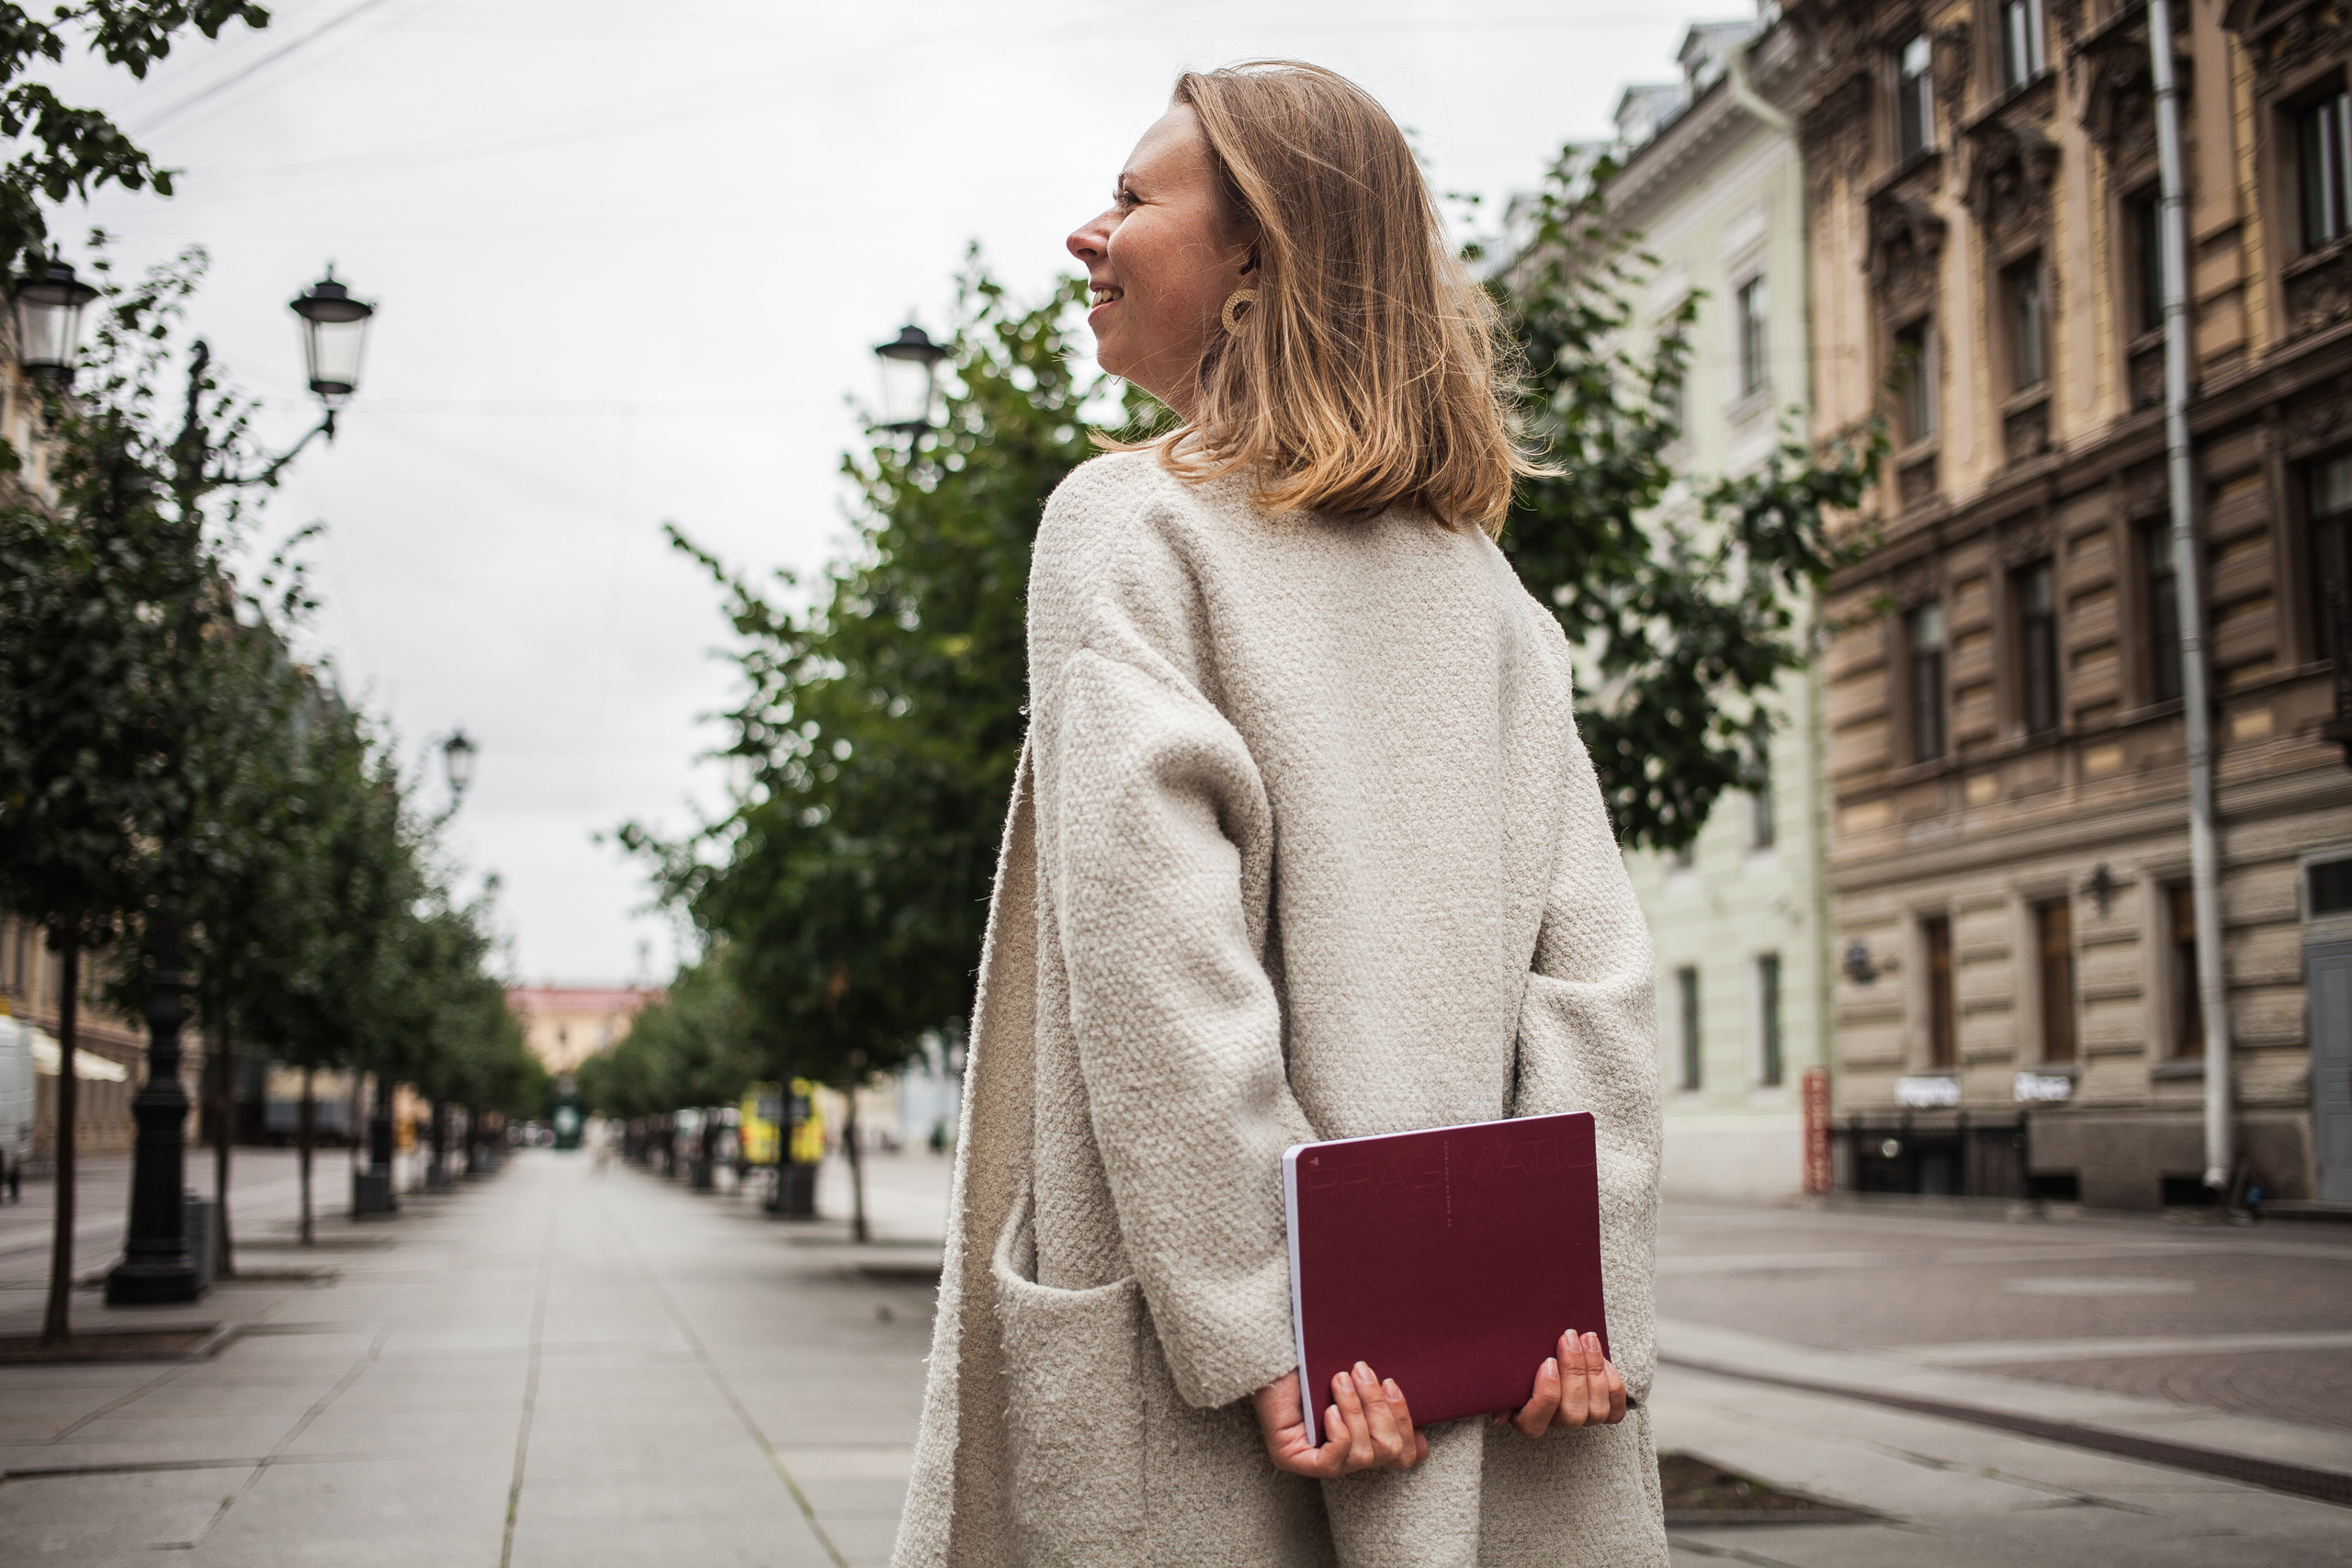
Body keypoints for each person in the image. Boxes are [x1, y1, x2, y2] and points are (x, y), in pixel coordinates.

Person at [894, 61, 1664, 1568]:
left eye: (1132, 198)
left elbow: (1162, 973)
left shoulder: (1133, 523)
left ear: (1258, 254)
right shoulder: (1492, 595)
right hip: (1502, 1381)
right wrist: (1577, 1304)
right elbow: (1597, 983)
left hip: (1239, 1390)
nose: (1087, 234)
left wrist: (1270, 1323)